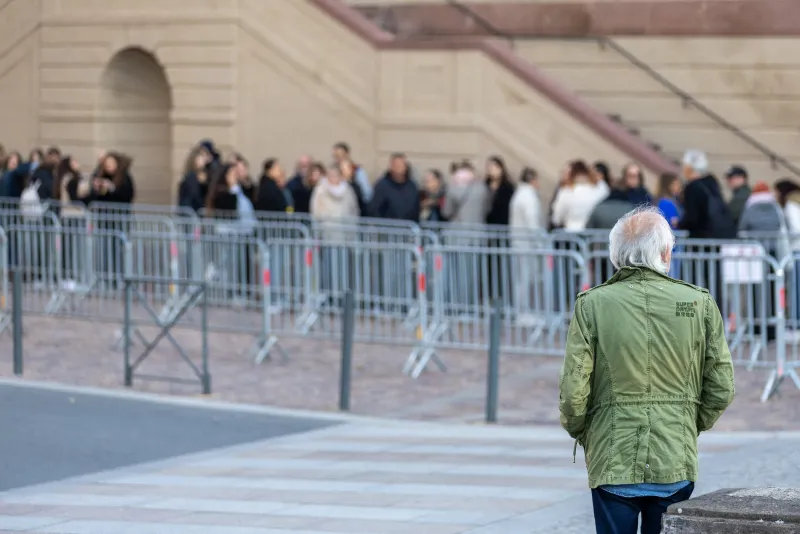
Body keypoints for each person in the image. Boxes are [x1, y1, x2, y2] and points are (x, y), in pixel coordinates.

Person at [560, 206, 735, 534]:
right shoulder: (697, 302)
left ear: (615, 254)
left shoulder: (592, 304)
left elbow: (574, 390)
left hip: (613, 456)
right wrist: (686, 423)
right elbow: (722, 385)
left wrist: (584, 431)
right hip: (674, 455)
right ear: (666, 252)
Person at [510, 167, 544, 324]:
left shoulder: (519, 194)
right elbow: (533, 224)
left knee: (521, 279)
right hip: (526, 244)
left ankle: (522, 311)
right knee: (524, 279)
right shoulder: (528, 197)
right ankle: (523, 312)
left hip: (520, 242)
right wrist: (541, 243)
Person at [678, 150, 735, 240]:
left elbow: (692, 217)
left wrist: (679, 225)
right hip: (716, 236)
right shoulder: (711, 183)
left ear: (689, 168)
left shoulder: (692, 188)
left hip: (700, 238)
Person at [551, 159, 608, 231]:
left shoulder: (567, 192)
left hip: (570, 233)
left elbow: (556, 218)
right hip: (593, 233)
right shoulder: (600, 189)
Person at [776, 179, 800, 329]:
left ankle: (796, 320)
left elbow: (796, 228)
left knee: (796, 288)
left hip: (796, 249)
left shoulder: (791, 205)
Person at [368, 153, 419, 222]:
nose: (399, 168)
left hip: (408, 228)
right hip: (388, 228)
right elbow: (375, 209)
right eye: (396, 165)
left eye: (401, 165)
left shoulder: (412, 186)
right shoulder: (382, 186)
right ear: (391, 166)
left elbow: (416, 208)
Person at [442, 161, 489, 228]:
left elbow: (447, 212)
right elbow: (487, 209)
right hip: (479, 230)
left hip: (458, 230)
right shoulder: (483, 188)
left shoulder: (452, 189)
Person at [177, 145, 211, 213]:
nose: (205, 160)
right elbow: (194, 197)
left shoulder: (204, 175)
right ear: (195, 159)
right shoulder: (190, 177)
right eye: (202, 157)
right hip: (191, 215)